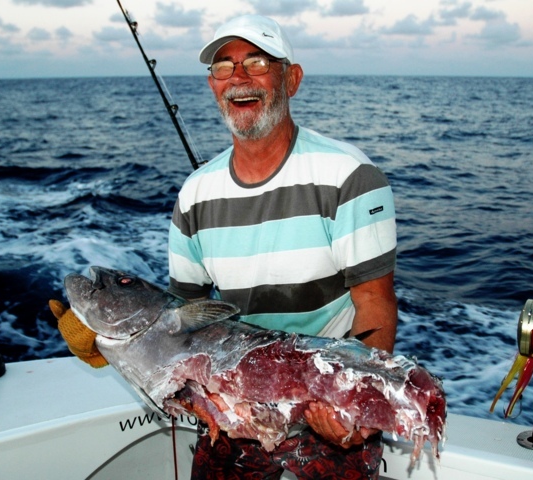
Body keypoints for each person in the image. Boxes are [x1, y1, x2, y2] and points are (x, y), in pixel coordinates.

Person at [166, 14, 398, 480]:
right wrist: (114, 341)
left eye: (256, 61)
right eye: (223, 67)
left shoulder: (349, 175)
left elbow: (375, 306)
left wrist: (349, 411)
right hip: (232, 408)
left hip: (323, 404)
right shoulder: (194, 195)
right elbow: (182, 319)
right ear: (212, 86)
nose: (239, 79)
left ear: (291, 78)